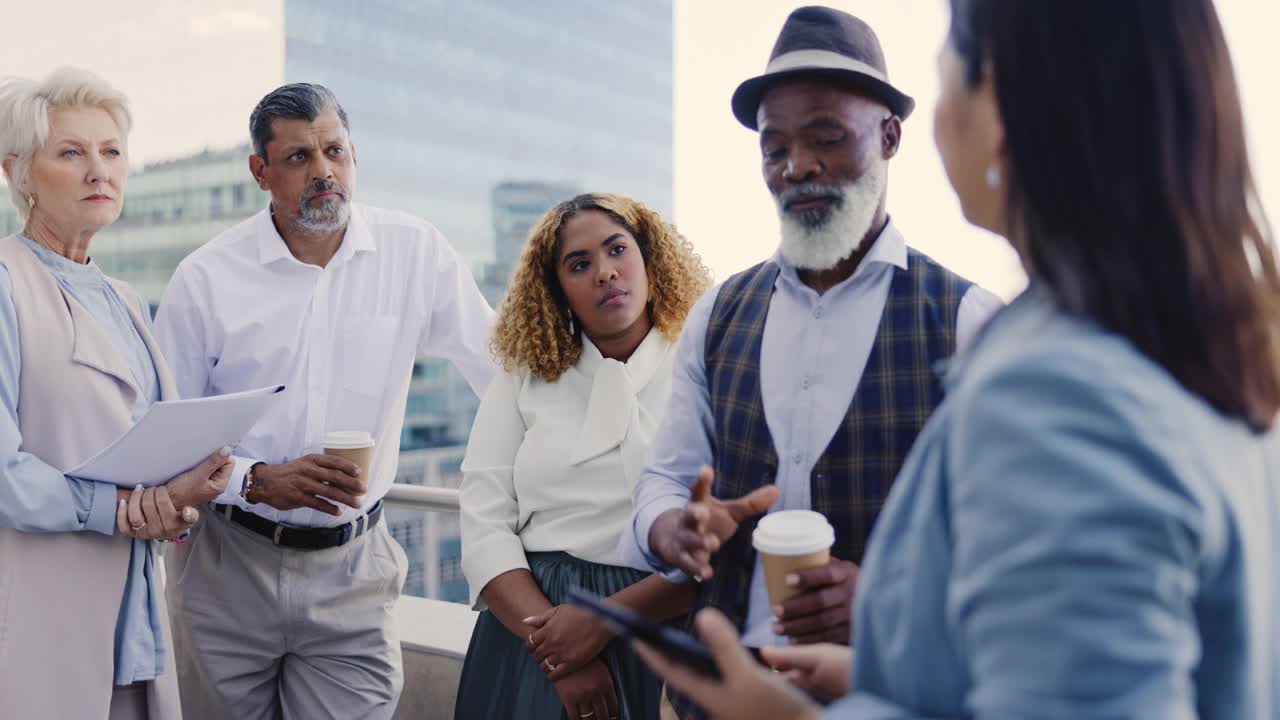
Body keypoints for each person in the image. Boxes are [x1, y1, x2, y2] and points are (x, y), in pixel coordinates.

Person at [636, 0, 1280, 718]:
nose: (798, 166)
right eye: (776, 146)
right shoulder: (1189, 345)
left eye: (948, 74)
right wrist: (871, 673)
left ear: (1006, 109)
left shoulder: (1056, 386)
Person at [620, 7, 1002, 717]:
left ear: (890, 137)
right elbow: (665, 480)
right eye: (775, 148)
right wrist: (670, 527)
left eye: (826, 137)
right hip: (720, 695)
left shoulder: (972, 324)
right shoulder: (717, 315)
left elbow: (1014, 558)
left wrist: (891, 600)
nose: (798, 166)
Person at [153, 82, 496, 720]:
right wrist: (256, 481)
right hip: (228, 566)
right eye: (298, 158)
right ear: (260, 171)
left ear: (354, 155)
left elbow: (499, 368)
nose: (323, 172)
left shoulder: (413, 253)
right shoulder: (205, 278)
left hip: (354, 571)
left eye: (334, 152)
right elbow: (171, 435)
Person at [0, 67, 233, 720]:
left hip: (133, 617)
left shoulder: (125, 300)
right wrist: (124, 510)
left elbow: (146, 440)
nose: (98, 170)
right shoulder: (4, 284)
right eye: (71, 152)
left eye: (111, 151)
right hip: (44, 618)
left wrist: (183, 494)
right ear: (18, 173)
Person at [455, 193, 712, 720]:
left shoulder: (704, 367)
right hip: (535, 631)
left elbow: (724, 538)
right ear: (557, 291)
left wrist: (602, 621)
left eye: (618, 249)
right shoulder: (524, 376)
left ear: (649, 259)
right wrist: (560, 658)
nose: (604, 272)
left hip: (669, 626)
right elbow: (483, 523)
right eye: (580, 264)